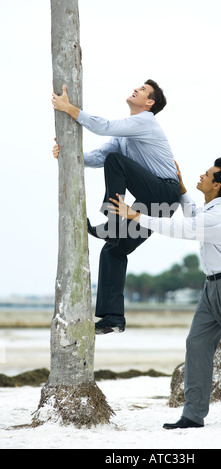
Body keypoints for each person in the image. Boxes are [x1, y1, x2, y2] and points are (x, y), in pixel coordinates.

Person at [109, 158, 221, 427]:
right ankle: (193, 415)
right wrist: (181, 190)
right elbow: (193, 218)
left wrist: (135, 215)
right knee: (196, 344)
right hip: (211, 287)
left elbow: (185, 228)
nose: (201, 175)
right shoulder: (211, 209)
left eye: (207, 174)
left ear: (217, 184)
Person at [52, 80, 181, 334]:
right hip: (152, 206)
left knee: (116, 161)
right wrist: (66, 153)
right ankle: (113, 319)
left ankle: (111, 223)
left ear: (149, 103)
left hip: (164, 194)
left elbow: (105, 127)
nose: (137, 89)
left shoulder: (145, 121)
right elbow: (98, 158)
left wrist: (70, 109)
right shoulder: (124, 135)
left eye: (143, 90)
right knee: (113, 250)